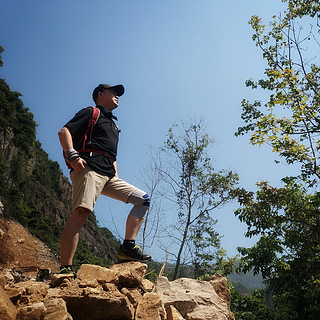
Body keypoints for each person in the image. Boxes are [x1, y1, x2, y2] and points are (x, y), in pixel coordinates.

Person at [58, 83, 151, 274]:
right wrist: (71, 154)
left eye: (118, 94)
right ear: (100, 94)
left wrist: (115, 175)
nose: (117, 96)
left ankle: (127, 247)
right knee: (81, 214)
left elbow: (111, 154)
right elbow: (64, 131)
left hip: (108, 175)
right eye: (113, 93)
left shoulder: (114, 125)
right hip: (88, 168)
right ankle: (65, 269)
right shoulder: (91, 112)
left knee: (143, 199)